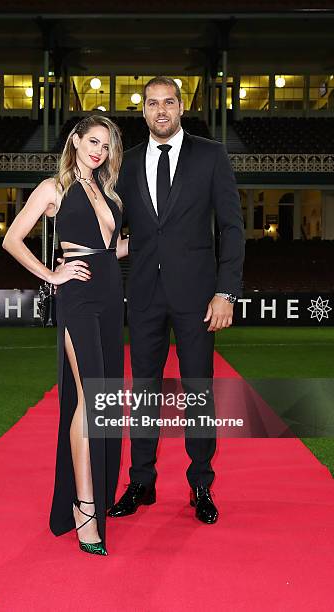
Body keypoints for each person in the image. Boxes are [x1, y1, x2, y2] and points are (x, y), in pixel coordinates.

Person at [108, 77, 245, 524]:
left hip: (199, 298)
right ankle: (141, 482)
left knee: (198, 393)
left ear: (181, 107)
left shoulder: (211, 155)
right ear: (143, 111)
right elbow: (112, 228)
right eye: (152, 103)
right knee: (143, 393)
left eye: (169, 102)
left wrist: (226, 291)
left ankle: (200, 483)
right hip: (144, 295)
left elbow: (231, 229)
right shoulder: (124, 164)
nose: (161, 110)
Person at [3, 115, 128, 555]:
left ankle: (90, 496)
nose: (99, 150)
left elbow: (114, 249)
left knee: (102, 398)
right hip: (78, 296)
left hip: (113, 296)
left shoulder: (109, 192)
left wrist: (163, 240)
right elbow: (13, 240)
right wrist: (51, 276)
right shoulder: (53, 188)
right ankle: (84, 509)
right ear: (75, 140)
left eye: (107, 145)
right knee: (90, 397)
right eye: (92, 141)